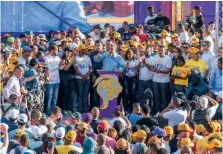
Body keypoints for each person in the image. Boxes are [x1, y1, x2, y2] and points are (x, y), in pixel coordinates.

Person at [150, 45, 172, 115]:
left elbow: (168, 70)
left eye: (161, 50)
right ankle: (158, 111)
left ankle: (165, 112)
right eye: (159, 50)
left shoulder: (168, 59)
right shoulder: (155, 57)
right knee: (157, 97)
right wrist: (154, 69)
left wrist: (160, 71)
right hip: (155, 80)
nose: (160, 52)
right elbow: (151, 66)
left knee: (164, 98)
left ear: (165, 51)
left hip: (164, 81)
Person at [44, 44, 62, 116]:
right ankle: (48, 112)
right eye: (55, 50)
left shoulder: (58, 58)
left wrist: (62, 65)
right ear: (50, 51)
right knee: (49, 97)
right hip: (50, 81)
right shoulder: (47, 58)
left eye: (57, 50)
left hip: (57, 80)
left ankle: (54, 112)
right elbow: (49, 69)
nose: (56, 51)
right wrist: (58, 65)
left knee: (55, 97)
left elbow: (60, 68)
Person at [75, 45, 92, 113]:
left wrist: (86, 75)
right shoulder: (76, 58)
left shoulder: (88, 58)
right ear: (80, 50)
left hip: (87, 78)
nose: (85, 51)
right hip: (79, 79)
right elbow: (75, 70)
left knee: (85, 94)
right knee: (80, 94)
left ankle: (85, 108)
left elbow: (90, 68)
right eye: (83, 49)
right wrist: (82, 76)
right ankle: (80, 109)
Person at [59, 47, 75, 112]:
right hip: (64, 78)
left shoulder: (71, 59)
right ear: (64, 52)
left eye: (70, 51)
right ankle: (63, 109)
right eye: (67, 51)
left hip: (71, 78)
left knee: (70, 94)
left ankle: (69, 109)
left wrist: (74, 63)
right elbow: (65, 68)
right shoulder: (62, 59)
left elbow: (75, 69)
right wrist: (71, 62)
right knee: (65, 94)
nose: (69, 53)